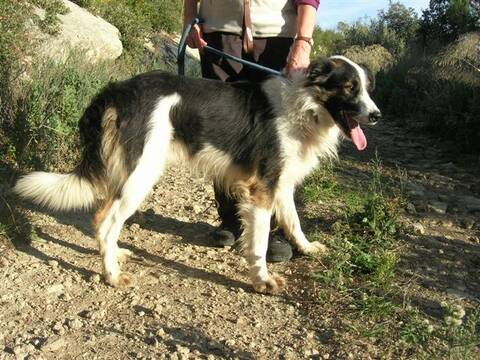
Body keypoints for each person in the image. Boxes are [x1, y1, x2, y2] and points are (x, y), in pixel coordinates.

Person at [183, 0, 319, 262]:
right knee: (224, 130)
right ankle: (230, 220)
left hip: (278, 37)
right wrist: (190, 20)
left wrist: (303, 41)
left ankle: (280, 231)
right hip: (218, 33)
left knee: (284, 136)